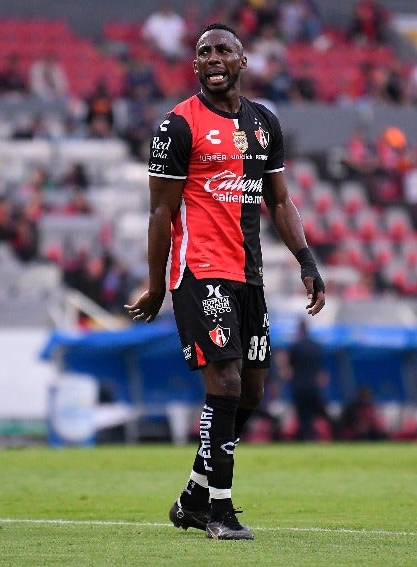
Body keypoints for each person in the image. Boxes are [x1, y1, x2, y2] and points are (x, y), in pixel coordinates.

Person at [125, 23, 326, 540]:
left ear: (243, 60)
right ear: (195, 66)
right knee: (227, 382)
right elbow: (160, 213)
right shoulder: (176, 127)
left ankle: (194, 492)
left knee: (253, 392)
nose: (213, 58)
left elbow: (279, 200)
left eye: (223, 50)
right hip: (199, 269)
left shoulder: (264, 123)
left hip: (249, 274)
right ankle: (220, 510)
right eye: (203, 52)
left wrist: (306, 259)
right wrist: (155, 285)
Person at [280, 319, 334, 441]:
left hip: (299, 387)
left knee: (304, 417)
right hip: (313, 386)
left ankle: (308, 438)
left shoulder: (295, 346)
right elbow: (321, 368)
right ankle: (336, 432)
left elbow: (289, 368)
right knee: (321, 413)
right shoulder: (316, 346)